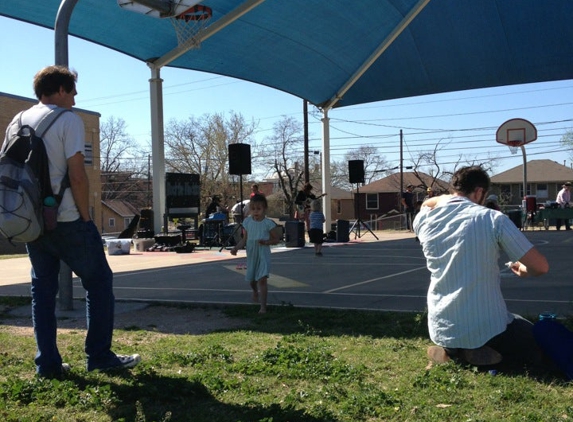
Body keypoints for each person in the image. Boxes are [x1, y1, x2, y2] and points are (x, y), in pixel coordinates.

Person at [1, 66, 140, 378]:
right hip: (67, 219)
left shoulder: (17, 120)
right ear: (60, 90)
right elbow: (77, 175)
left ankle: (47, 365)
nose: (76, 98)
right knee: (99, 283)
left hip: (32, 222)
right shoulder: (68, 120)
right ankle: (99, 356)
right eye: (73, 91)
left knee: (42, 292)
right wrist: (87, 218)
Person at [414, 166, 549, 368]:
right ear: (479, 192)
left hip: (441, 326)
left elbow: (426, 204)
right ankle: (481, 351)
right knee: (533, 335)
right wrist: (524, 270)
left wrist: (447, 198)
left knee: (511, 323)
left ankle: (454, 350)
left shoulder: (423, 219)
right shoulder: (493, 219)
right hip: (488, 327)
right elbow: (541, 267)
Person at [230, 194, 280, 314]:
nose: (256, 211)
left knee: (262, 279)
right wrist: (236, 248)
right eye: (253, 209)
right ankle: (254, 291)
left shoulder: (268, 223)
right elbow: (244, 239)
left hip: (263, 254)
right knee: (252, 280)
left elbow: (276, 239)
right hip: (252, 254)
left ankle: (263, 307)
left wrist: (267, 242)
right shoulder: (247, 222)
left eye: (259, 209)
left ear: (264, 209)